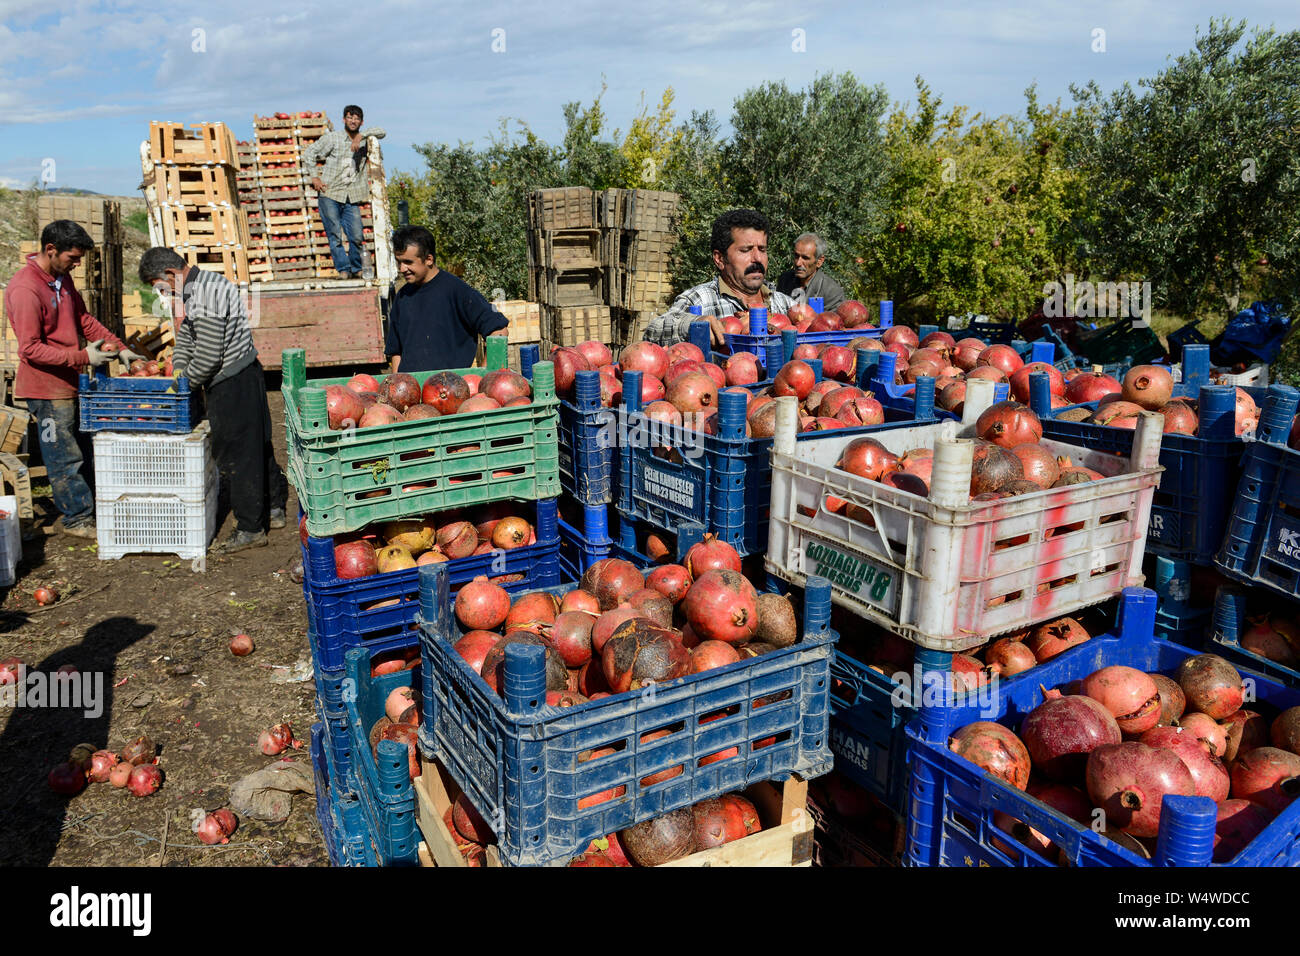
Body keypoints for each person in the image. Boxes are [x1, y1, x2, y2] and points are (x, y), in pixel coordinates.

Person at [138, 247, 288, 555]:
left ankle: (250, 528)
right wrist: (178, 365)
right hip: (245, 373)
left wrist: (186, 384)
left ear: (169, 275)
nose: (162, 295)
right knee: (257, 444)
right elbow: (189, 340)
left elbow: (207, 357)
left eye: (160, 288)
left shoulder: (204, 295)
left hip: (232, 382)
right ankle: (273, 507)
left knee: (236, 454)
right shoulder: (200, 286)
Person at [3, 220, 144, 538]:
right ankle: (76, 519)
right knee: (63, 456)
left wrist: (120, 349)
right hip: (45, 390)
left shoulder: (61, 279)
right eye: (73, 258)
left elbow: (84, 319)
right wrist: (84, 357)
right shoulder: (25, 289)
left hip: (71, 383)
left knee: (83, 448)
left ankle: (89, 509)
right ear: (50, 250)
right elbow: (30, 349)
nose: (77, 264)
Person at [643, 209, 797, 347]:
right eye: (745, 250)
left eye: (762, 249)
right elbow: (652, 333)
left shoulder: (785, 304)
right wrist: (694, 324)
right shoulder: (699, 300)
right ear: (720, 259)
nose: (757, 258)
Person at [384, 226, 508, 373]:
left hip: (450, 392)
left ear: (429, 259)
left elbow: (499, 331)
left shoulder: (458, 291)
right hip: (411, 392)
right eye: (399, 262)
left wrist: (483, 378)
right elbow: (396, 351)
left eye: (408, 262)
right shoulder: (402, 297)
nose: (402, 268)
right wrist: (397, 385)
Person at [303, 105, 387, 279]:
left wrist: (361, 137)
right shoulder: (333, 139)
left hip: (352, 196)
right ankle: (343, 269)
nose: (353, 121)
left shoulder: (365, 139)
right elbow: (310, 153)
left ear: (361, 122)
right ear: (344, 119)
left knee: (356, 235)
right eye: (350, 117)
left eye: (356, 118)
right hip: (330, 193)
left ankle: (356, 267)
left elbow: (382, 131)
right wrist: (314, 177)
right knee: (334, 235)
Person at [776, 232, 846, 312]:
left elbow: (833, 322)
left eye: (805, 258)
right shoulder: (785, 281)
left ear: (819, 261)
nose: (798, 263)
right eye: (796, 256)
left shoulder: (831, 292)